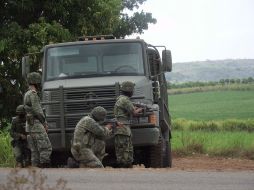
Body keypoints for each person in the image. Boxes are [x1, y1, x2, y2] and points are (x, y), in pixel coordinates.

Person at [23, 72, 52, 168]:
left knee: (34, 150)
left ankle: (36, 172)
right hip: (36, 124)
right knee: (45, 147)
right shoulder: (33, 94)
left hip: (29, 125)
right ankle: (45, 168)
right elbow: (37, 110)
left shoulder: (26, 93)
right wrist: (44, 122)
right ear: (36, 82)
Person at [114, 81, 142, 168]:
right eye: (132, 90)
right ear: (129, 90)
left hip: (123, 127)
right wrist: (141, 109)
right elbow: (134, 113)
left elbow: (130, 109)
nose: (133, 92)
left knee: (127, 149)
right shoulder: (124, 100)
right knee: (124, 149)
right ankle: (124, 168)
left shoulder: (122, 99)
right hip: (122, 128)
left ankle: (127, 166)